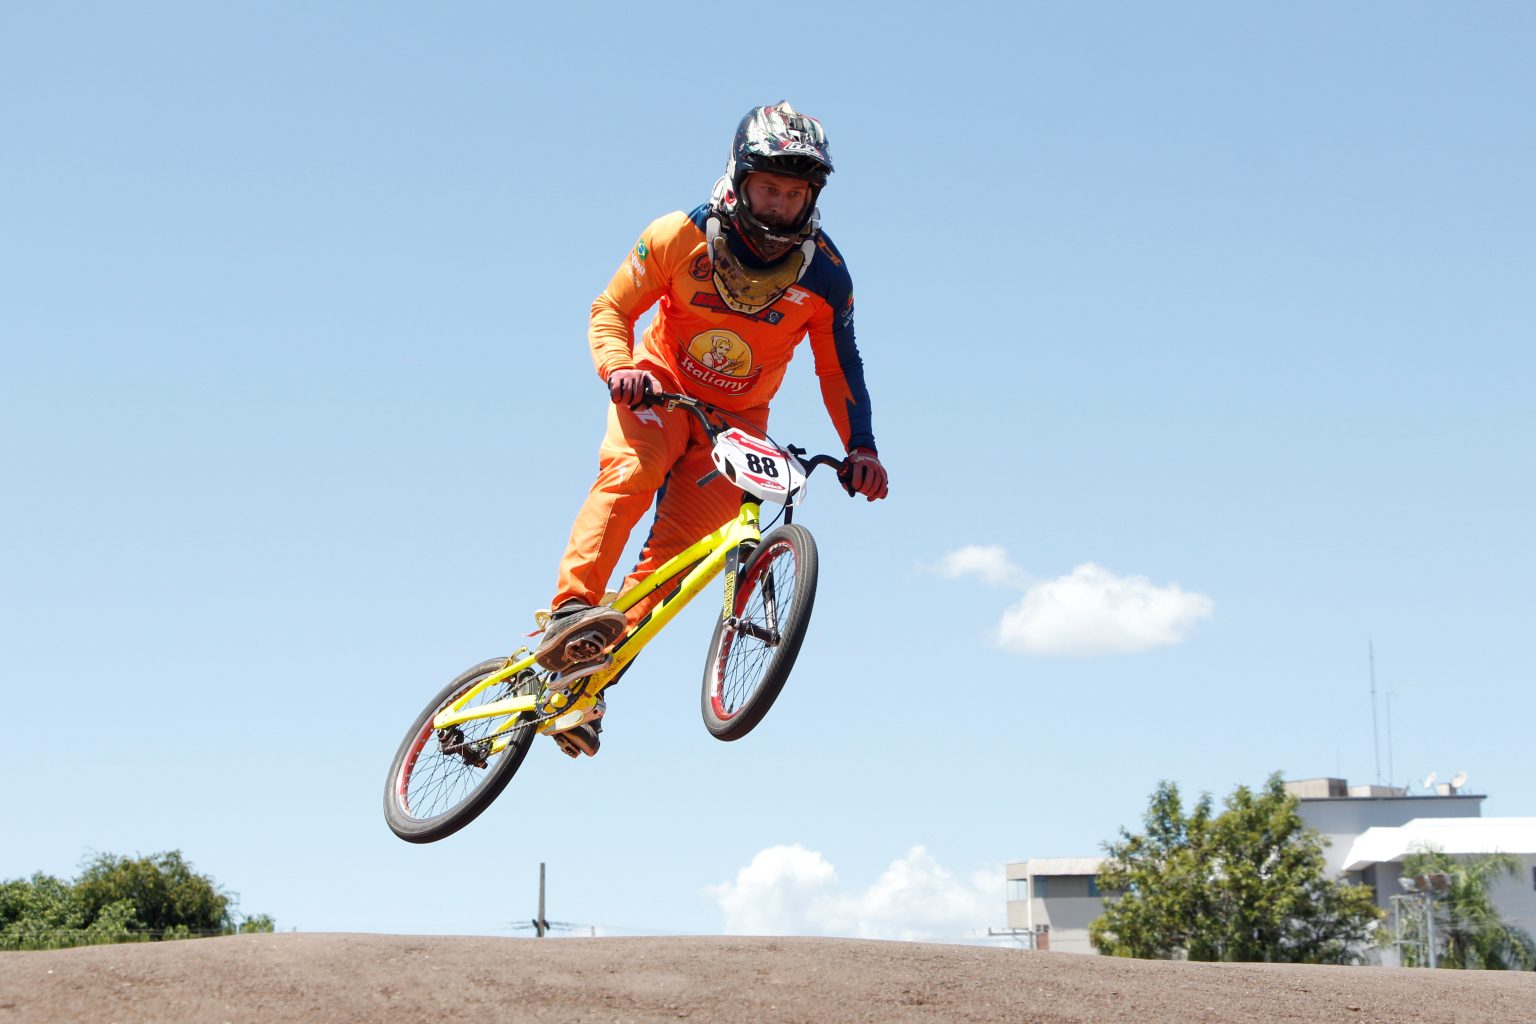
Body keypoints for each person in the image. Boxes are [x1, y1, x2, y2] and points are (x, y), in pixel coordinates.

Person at [534, 101, 889, 756]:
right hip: (658, 390)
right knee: (632, 475)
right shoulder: (679, 235)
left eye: (794, 192)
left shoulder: (827, 277)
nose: (780, 205)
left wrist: (860, 448)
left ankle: (588, 685)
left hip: (737, 423)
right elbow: (611, 308)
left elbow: (841, 371)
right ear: (739, 176)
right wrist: (618, 369)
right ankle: (572, 611)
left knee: (680, 559)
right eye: (768, 188)